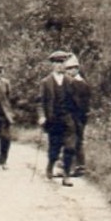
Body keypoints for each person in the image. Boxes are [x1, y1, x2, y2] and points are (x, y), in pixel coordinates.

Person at [38, 50, 78, 186]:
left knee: (70, 147)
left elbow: (76, 102)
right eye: (57, 63)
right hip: (53, 120)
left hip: (68, 119)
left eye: (62, 62)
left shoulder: (71, 81)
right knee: (54, 147)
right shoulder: (45, 82)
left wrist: (77, 118)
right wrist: (42, 116)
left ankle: (66, 175)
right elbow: (40, 102)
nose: (60, 65)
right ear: (52, 65)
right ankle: (50, 164)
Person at [63, 54, 91, 177]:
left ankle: (80, 166)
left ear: (77, 69)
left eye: (72, 69)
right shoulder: (70, 82)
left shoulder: (81, 84)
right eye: (67, 69)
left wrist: (78, 117)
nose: (69, 71)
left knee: (77, 140)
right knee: (72, 140)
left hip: (79, 116)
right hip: (73, 116)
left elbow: (82, 104)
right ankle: (74, 166)